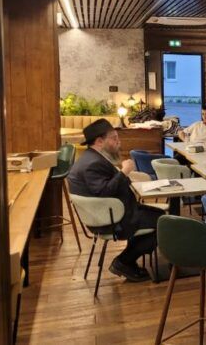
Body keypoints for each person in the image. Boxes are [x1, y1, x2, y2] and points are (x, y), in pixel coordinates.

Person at [67, 119, 164, 282]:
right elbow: (104, 191)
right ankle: (124, 262)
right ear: (99, 141)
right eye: (114, 138)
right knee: (163, 222)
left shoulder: (93, 157)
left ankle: (129, 261)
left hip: (113, 213)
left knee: (160, 215)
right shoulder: (92, 163)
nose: (118, 142)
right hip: (111, 219)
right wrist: (124, 172)